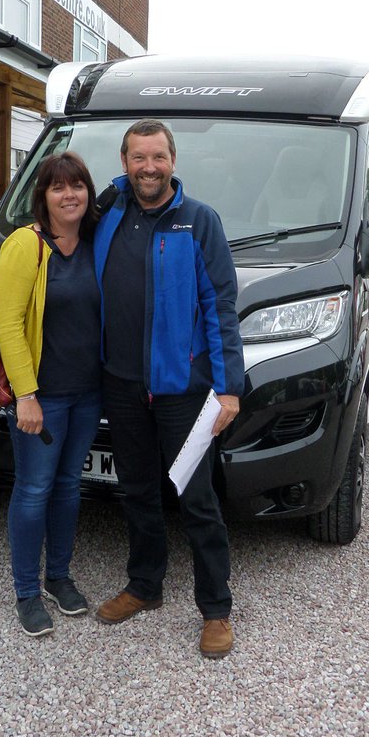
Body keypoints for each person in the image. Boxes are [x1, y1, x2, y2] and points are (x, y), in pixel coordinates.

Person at [93, 119, 245, 658]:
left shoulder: (199, 222)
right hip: (122, 383)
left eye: (157, 157)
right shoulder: (109, 215)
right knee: (136, 490)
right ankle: (144, 586)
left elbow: (221, 307)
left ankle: (217, 608)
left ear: (173, 161)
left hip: (182, 389)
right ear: (126, 161)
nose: (148, 168)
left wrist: (229, 388)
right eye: (138, 158)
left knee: (197, 497)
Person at [0, 152, 101, 637]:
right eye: (59, 187)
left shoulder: (98, 242)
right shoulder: (26, 245)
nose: (69, 195)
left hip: (87, 393)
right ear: (44, 196)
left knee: (67, 489)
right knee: (33, 489)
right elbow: (8, 324)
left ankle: (58, 577)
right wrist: (26, 395)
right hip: (45, 396)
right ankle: (26, 593)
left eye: (77, 185)